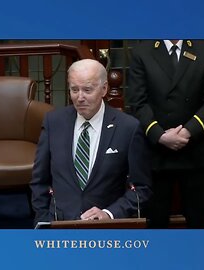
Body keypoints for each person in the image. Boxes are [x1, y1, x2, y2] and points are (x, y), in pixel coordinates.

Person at [30, 59, 152, 225]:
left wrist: (109, 214)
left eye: (87, 90)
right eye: (74, 90)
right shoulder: (54, 122)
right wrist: (44, 221)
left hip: (106, 230)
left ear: (104, 89)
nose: (80, 97)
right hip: (60, 226)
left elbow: (141, 189)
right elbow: (39, 181)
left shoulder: (128, 128)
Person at [126, 40, 204, 228]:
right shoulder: (142, 52)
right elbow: (137, 102)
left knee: (200, 221)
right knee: (156, 222)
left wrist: (187, 132)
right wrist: (160, 135)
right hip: (157, 152)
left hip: (195, 150)